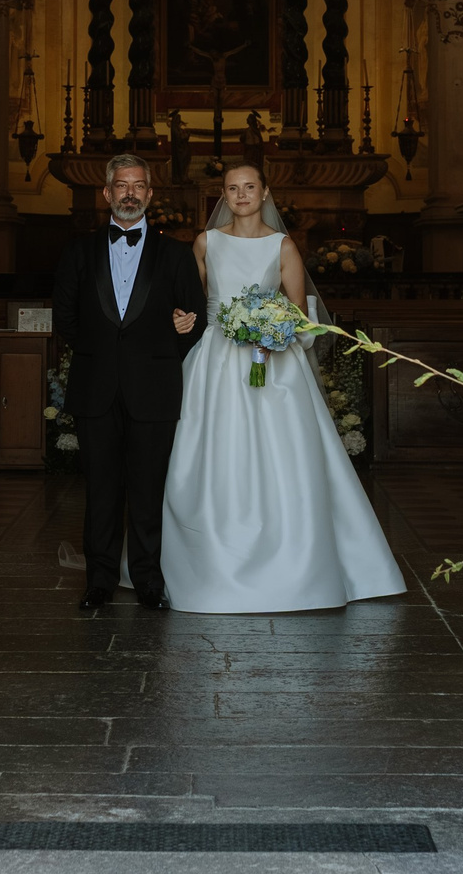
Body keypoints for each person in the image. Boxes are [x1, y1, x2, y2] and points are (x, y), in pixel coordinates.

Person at [160, 162, 406, 613]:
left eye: (249, 187)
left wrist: (273, 331)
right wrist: (180, 317)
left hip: (272, 362)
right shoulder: (206, 242)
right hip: (215, 359)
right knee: (213, 450)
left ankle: (297, 562)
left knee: (287, 454)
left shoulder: (283, 245)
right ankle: (206, 559)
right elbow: (190, 301)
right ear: (223, 195)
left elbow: (300, 314)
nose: (241, 195)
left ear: (264, 191)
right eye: (232, 188)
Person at [49, 153, 206, 612]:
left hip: (154, 387)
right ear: (107, 193)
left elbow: (195, 318)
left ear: (150, 194)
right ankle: (99, 581)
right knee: (100, 490)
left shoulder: (175, 254)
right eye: (121, 185)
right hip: (95, 385)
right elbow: (65, 316)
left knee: (147, 490)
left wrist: (163, 347)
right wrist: (101, 352)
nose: (130, 193)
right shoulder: (78, 251)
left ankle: (148, 582)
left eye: (138, 185)